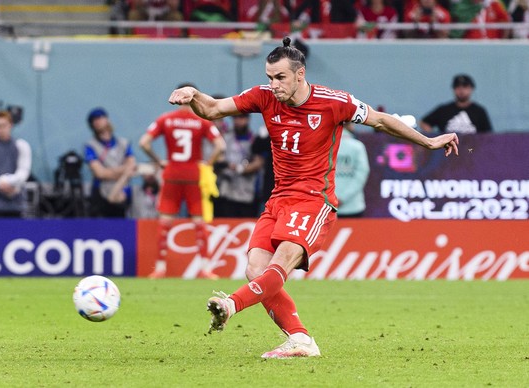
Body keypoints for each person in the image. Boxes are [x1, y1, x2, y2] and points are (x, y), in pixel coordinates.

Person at [168, 37, 459, 359]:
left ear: (300, 74)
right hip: (278, 198)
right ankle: (301, 340)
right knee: (256, 270)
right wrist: (193, 95)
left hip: (312, 200)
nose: (273, 84)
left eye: (280, 78)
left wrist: (429, 142)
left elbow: (380, 120)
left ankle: (229, 304)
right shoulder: (263, 97)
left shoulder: (334, 102)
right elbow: (211, 109)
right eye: (269, 77)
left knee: (280, 264)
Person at [139, 83, 226, 279]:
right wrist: (208, 164)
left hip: (171, 174)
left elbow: (143, 142)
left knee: (165, 223)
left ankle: (160, 268)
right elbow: (220, 145)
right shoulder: (202, 121)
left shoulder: (166, 119)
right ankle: (205, 268)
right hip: (194, 175)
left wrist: (158, 161)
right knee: (199, 223)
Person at [84, 107, 137, 218]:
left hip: (121, 189)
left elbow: (132, 165)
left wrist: (109, 172)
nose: (97, 121)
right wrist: (123, 170)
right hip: (100, 192)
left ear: (107, 119)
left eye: (99, 118)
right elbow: (100, 173)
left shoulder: (123, 143)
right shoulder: (90, 146)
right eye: (93, 120)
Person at [213, 113, 262, 218]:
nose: (238, 121)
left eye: (241, 117)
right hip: (227, 193)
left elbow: (259, 162)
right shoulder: (225, 138)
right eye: (235, 118)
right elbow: (218, 158)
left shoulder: (253, 139)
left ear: (247, 119)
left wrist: (241, 168)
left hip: (247, 193)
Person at [419, 74, 493, 134]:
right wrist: (435, 139)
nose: (461, 90)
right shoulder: (444, 110)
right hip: (448, 151)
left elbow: (488, 135)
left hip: (472, 150)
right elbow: (424, 123)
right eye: (457, 87)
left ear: (471, 89)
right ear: (453, 89)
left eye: (465, 86)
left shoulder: (479, 111)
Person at [334, 123, 370, 218]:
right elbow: (361, 176)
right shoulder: (357, 146)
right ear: (347, 125)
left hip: (328, 205)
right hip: (354, 206)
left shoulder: (323, 146)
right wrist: (343, 198)